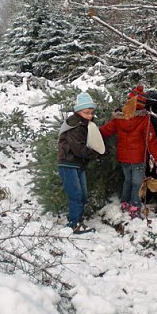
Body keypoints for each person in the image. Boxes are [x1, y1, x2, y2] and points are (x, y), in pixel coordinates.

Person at [100, 85, 157, 219]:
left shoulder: (119, 118)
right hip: (138, 158)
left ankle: (124, 203)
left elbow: (104, 131)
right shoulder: (144, 119)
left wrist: (90, 132)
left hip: (123, 157)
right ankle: (134, 206)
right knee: (137, 183)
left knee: (128, 180)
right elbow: (150, 141)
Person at [57, 92, 105, 234]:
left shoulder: (85, 124)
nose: (90, 115)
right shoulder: (75, 125)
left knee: (83, 194)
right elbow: (79, 149)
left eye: (91, 112)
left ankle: (77, 218)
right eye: (86, 112)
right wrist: (96, 154)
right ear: (78, 111)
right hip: (68, 164)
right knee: (76, 194)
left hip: (78, 164)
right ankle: (74, 224)